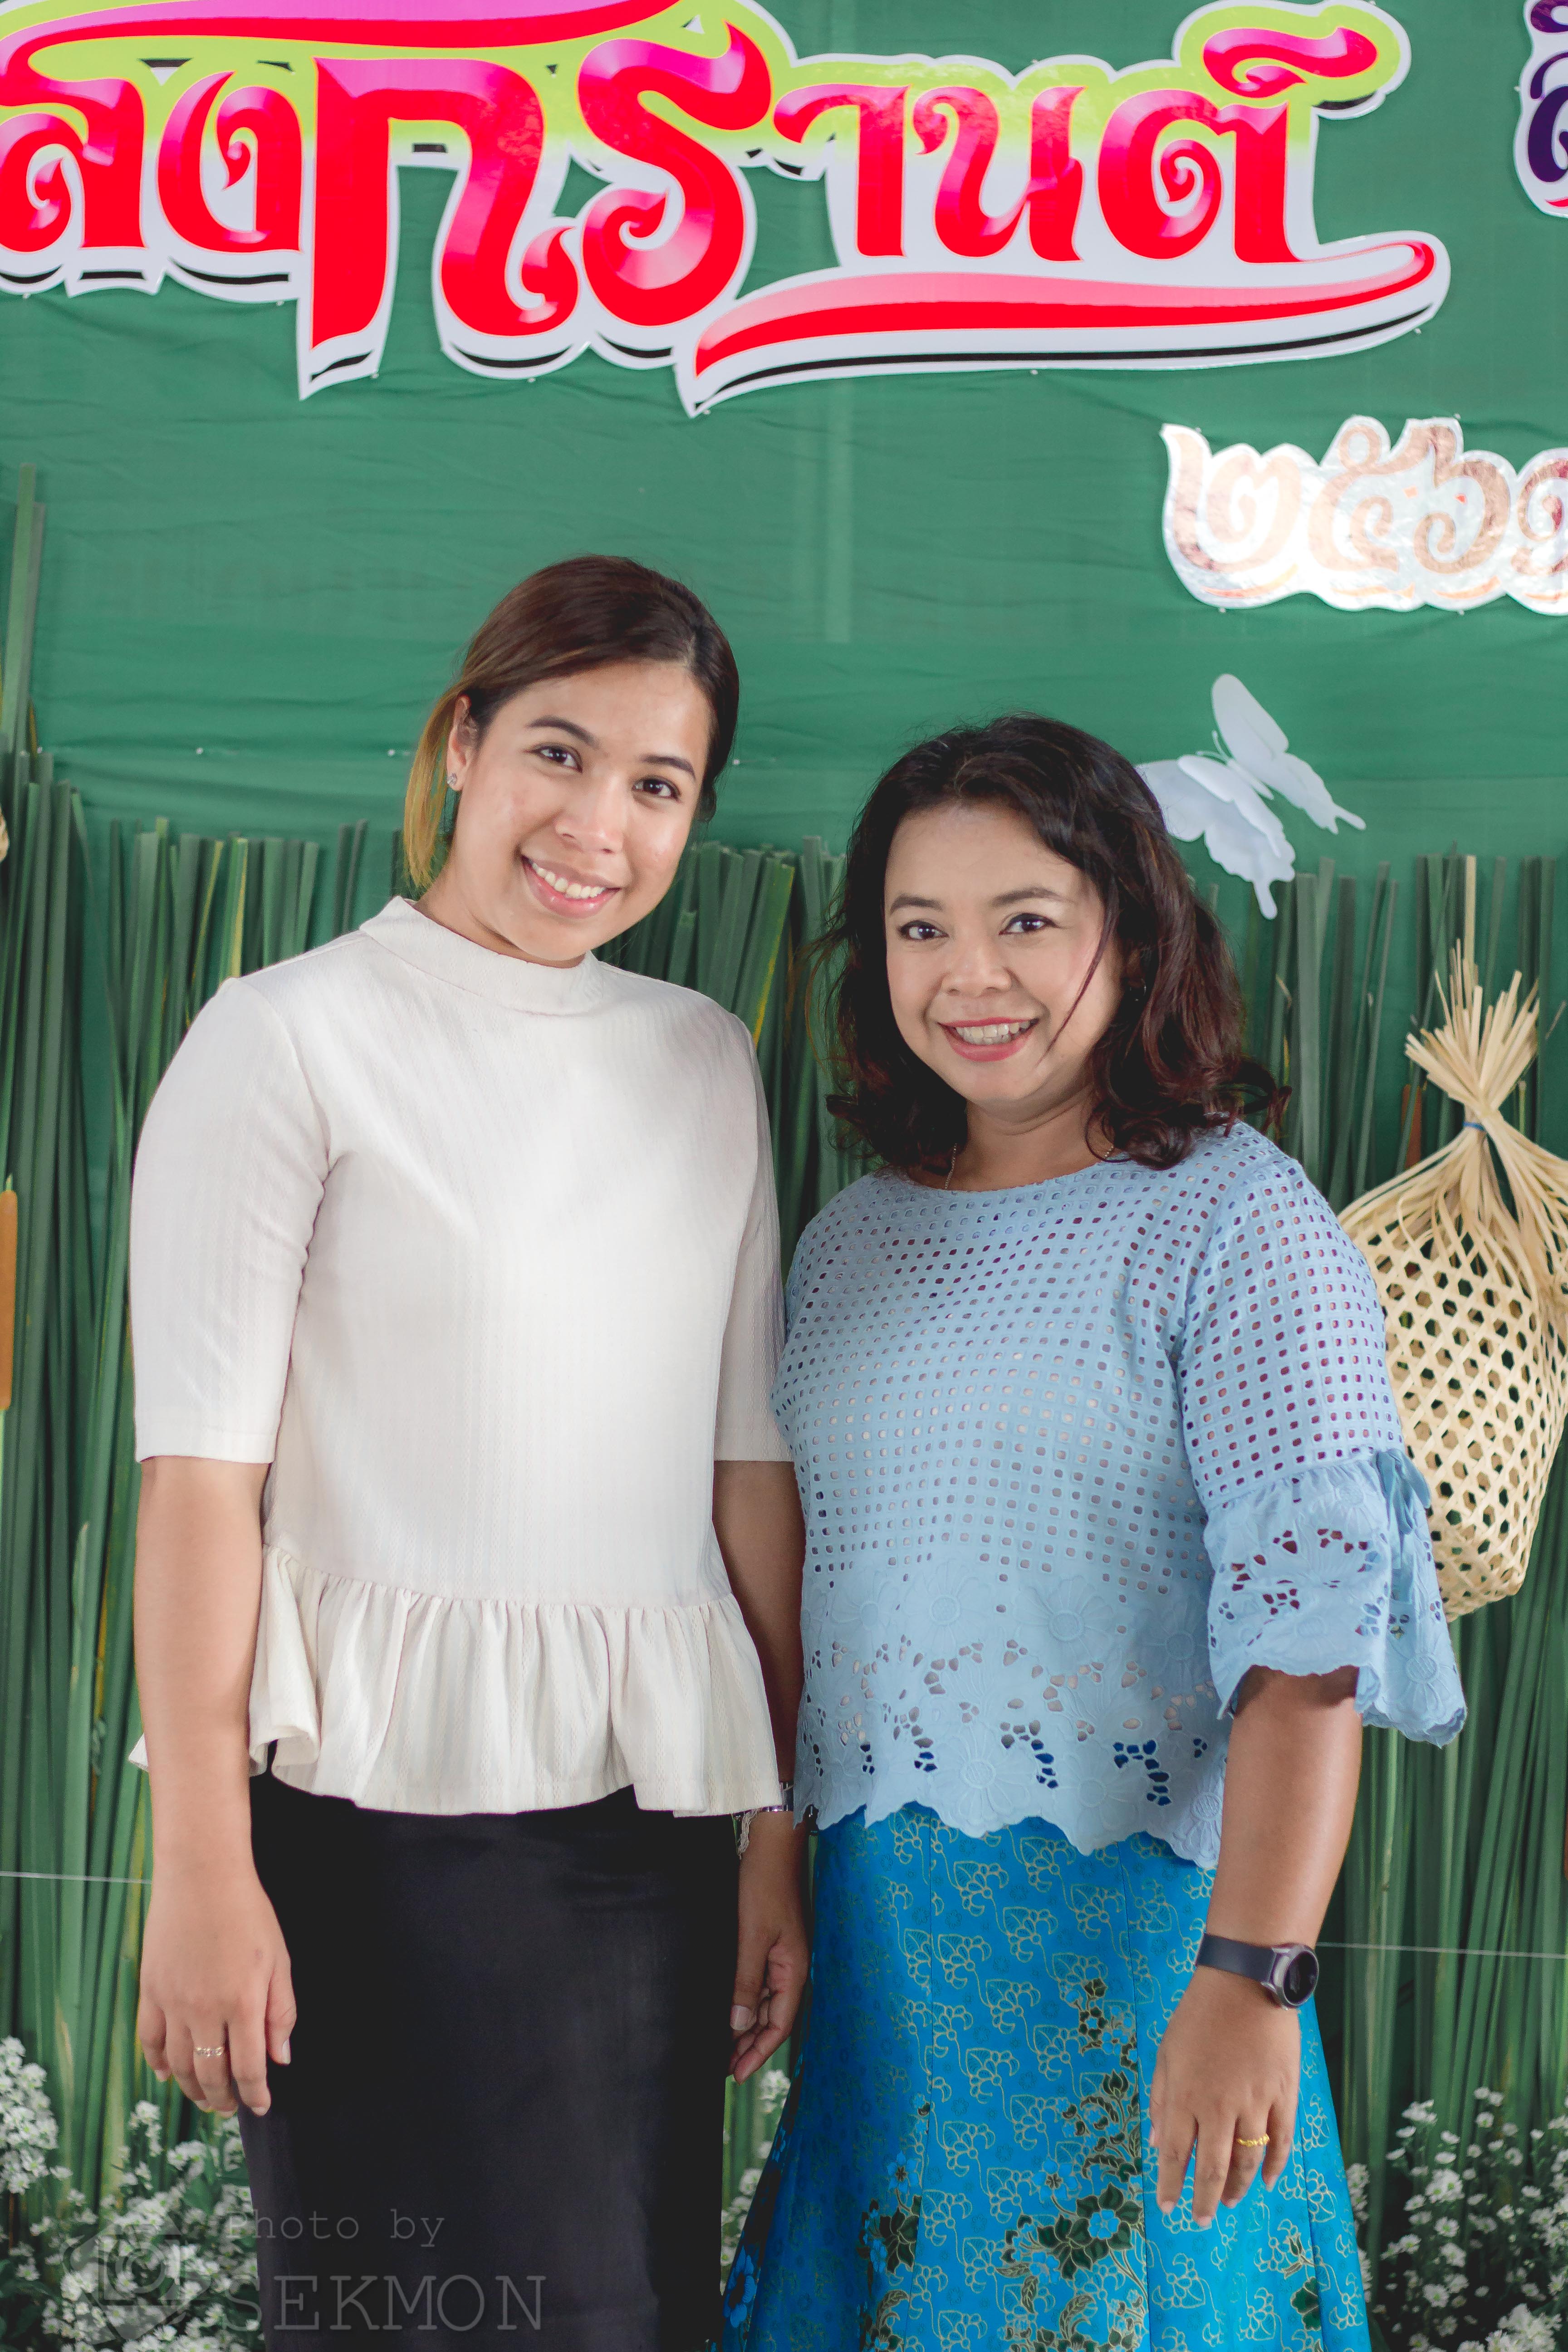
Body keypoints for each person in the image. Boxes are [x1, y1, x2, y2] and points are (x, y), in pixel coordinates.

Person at [129, 556, 809, 2352]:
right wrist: (200, 1864)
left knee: (629, 2313)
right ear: (462, 744)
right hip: (372, 1835)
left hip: (653, 1835)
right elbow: (200, 1484)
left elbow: (746, 1473)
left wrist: (774, 1838)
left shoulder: (704, 1061)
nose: (598, 828)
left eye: (658, 785)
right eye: (559, 755)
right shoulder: (283, 1037)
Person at [719, 716, 1464, 2351]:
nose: (969, 975)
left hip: (1148, 1953)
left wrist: (1254, 1975)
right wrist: (772, 1852)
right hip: (881, 1956)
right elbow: (809, 1595)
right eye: (920, 927)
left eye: (1026, 920)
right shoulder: (848, 1243)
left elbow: (1309, 1649)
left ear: (1134, 930)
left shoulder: (1242, 1222)